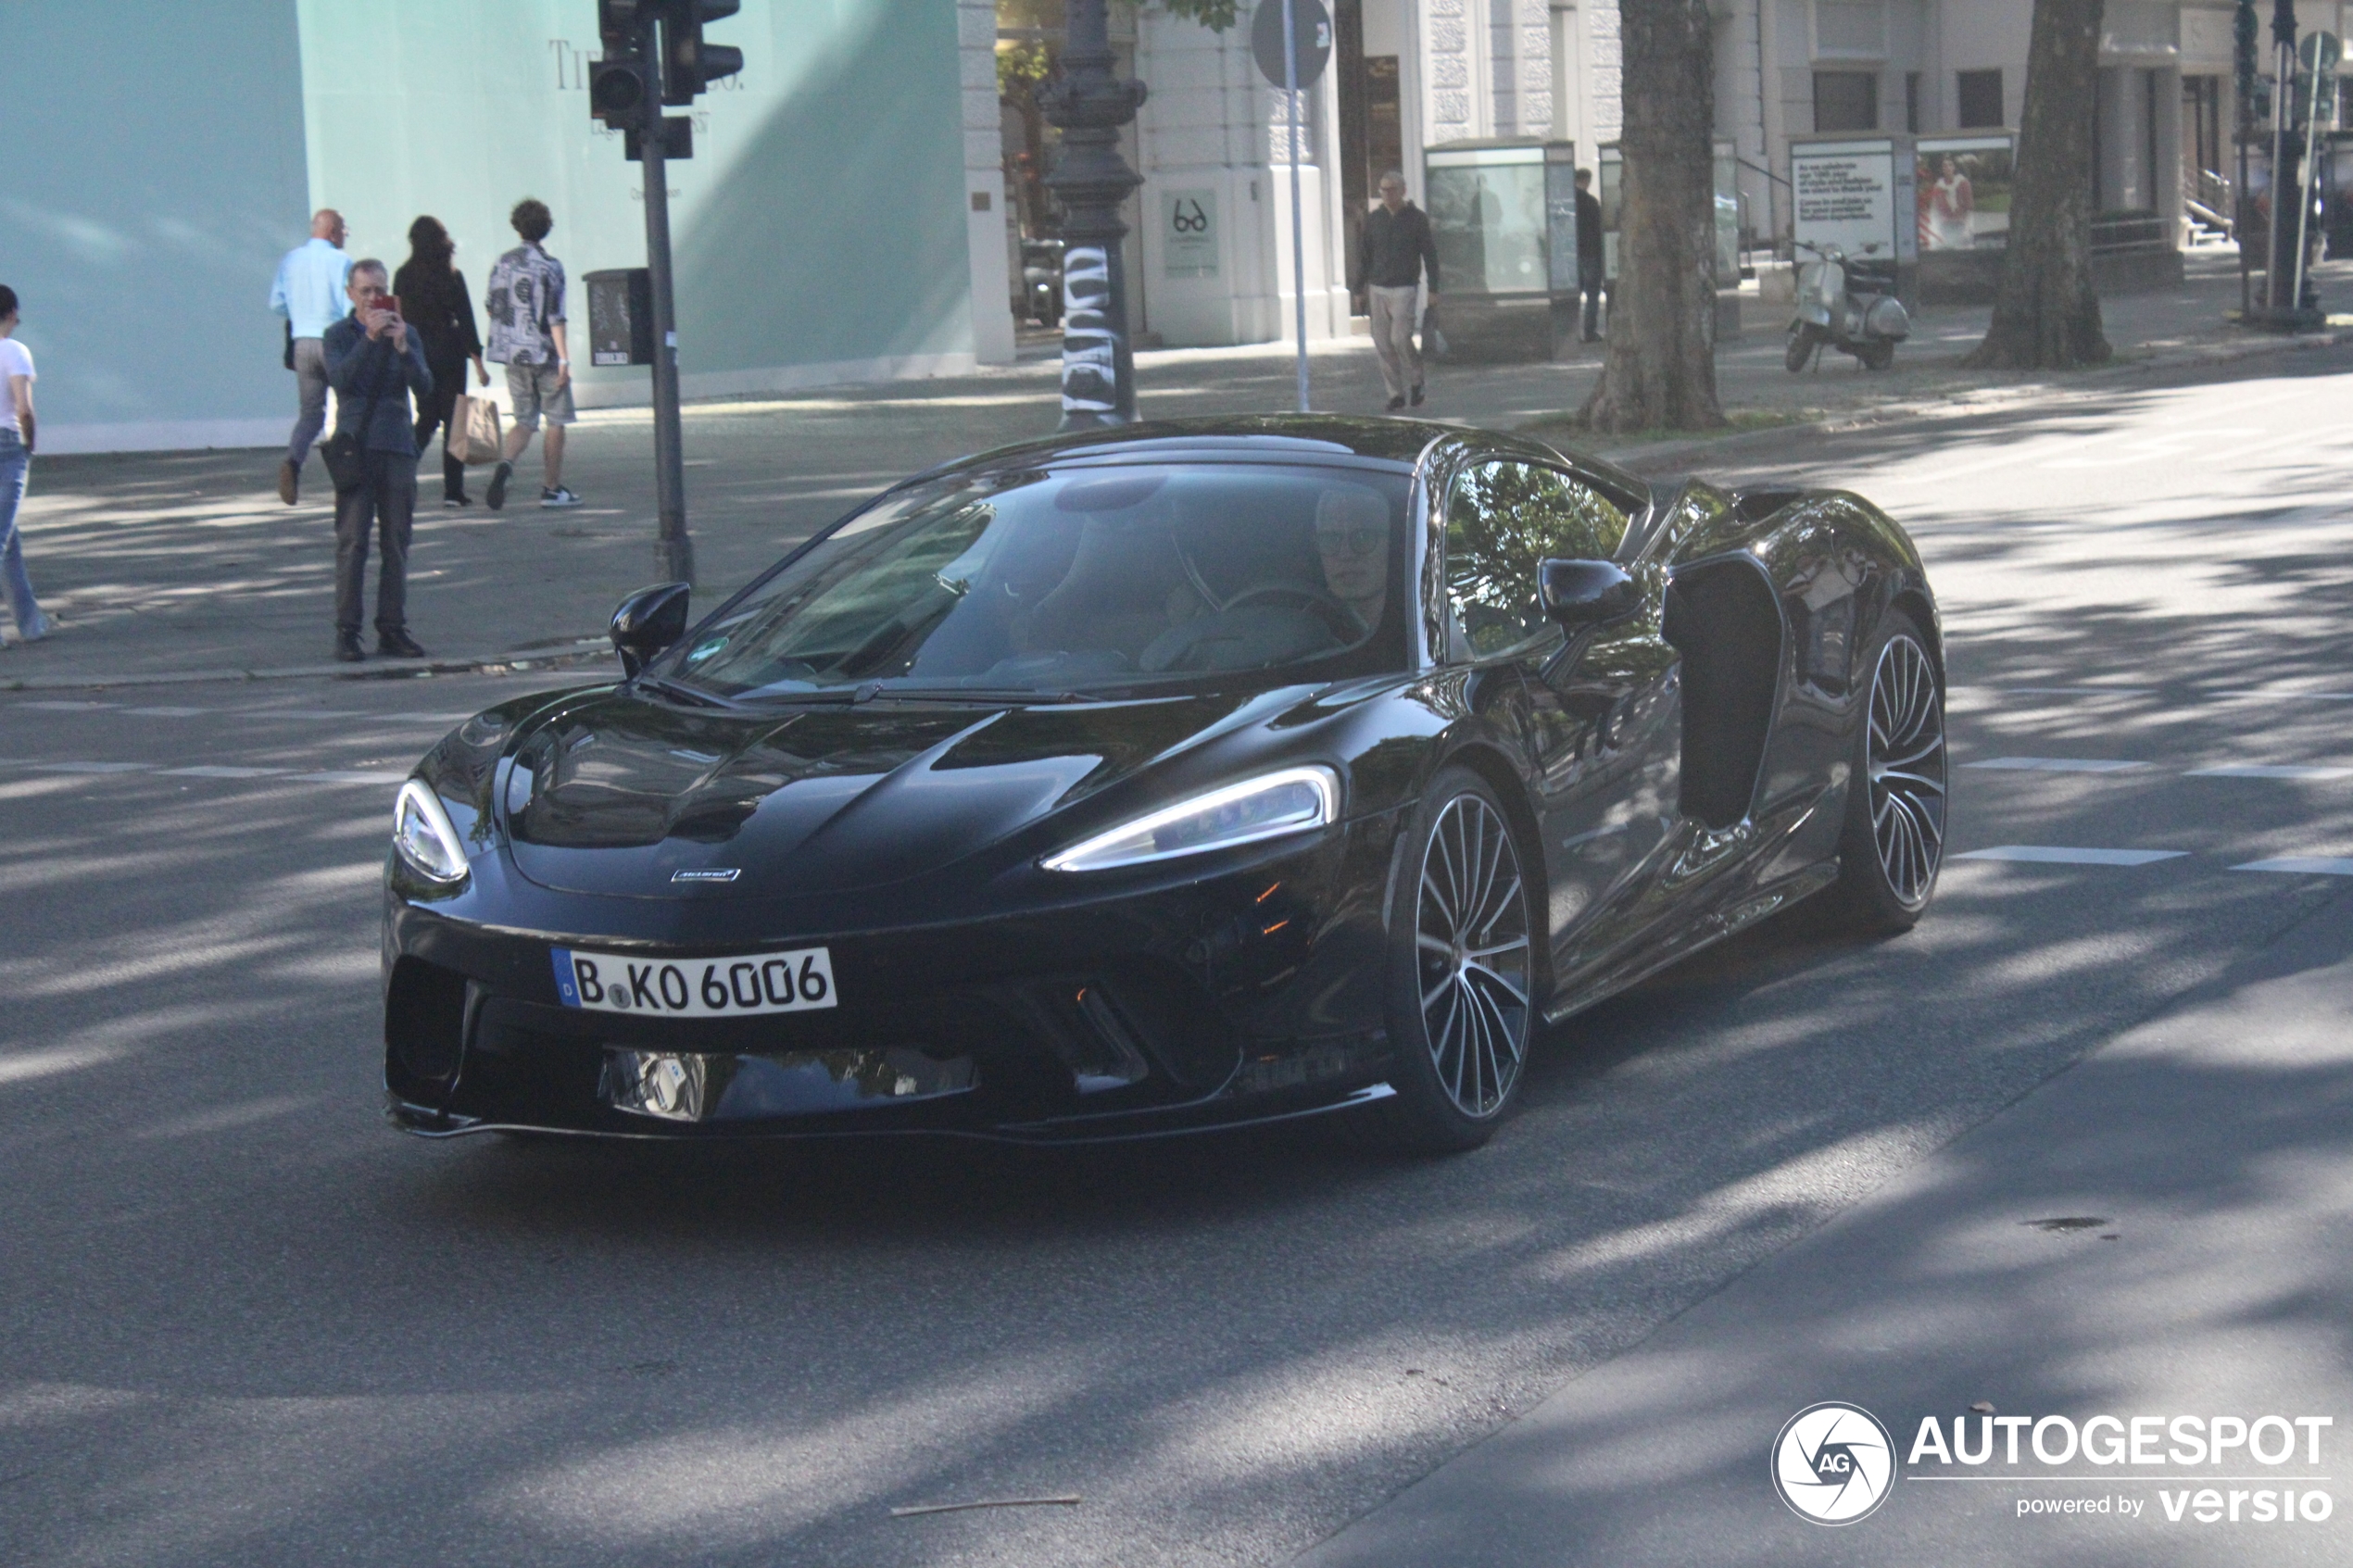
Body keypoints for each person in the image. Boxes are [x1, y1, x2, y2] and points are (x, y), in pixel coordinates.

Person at [322, 260, 434, 662]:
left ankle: (392, 628)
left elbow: (425, 387)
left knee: (397, 543)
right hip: (357, 448)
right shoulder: (337, 336)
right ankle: (347, 632)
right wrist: (369, 339)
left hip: (398, 446)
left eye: (380, 290)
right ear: (350, 293)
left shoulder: (406, 333)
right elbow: (342, 382)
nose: (374, 299)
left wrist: (403, 349)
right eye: (366, 291)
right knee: (353, 544)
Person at [483, 198, 580, 509]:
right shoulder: (550, 266)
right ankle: (551, 488)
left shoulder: (502, 262)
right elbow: (555, 316)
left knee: (524, 420)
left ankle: (506, 464)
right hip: (544, 354)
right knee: (556, 419)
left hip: (513, 353)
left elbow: (491, 305)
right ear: (546, 228)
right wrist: (564, 358)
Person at [393, 217, 491, 508]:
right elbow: (467, 319)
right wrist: (478, 363)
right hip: (450, 351)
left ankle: (401, 470)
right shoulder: (452, 275)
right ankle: (453, 491)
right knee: (455, 421)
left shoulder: (403, 275)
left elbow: (398, 315)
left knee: (426, 418)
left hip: (417, 351)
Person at [269, 209, 353, 506]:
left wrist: (302, 311)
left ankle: (293, 461)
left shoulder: (291, 260)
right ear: (332, 231)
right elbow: (350, 308)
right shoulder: (342, 262)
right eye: (343, 229)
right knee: (349, 407)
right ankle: (346, 474)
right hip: (335, 341)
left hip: (302, 342)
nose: (346, 234)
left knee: (312, 413)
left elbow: (277, 304)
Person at [1354, 170, 1440, 412]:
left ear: (1403, 191)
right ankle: (1395, 394)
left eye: (1392, 189)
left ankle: (1416, 379)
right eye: (1383, 189)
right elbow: (1365, 255)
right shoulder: (1374, 219)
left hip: (1404, 287)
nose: (1387, 194)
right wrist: (1359, 288)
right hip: (1378, 286)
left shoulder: (1416, 219)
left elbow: (1430, 255)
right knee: (1382, 342)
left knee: (1400, 338)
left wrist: (1434, 287)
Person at [0, 286, 54, 646]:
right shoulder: (15, 351)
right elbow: (23, 408)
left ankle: (31, 622)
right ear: (12, 314)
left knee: (10, 540)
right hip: (7, 447)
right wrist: (30, 443)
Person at [1312, 485, 1388, 637]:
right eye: (1331, 539)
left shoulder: (1423, 630)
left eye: (1363, 537)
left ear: (1392, 545)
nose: (1346, 554)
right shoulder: (1300, 630)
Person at [1575, 169, 1606, 343]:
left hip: (1573, 254)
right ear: (1587, 180)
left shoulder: (1568, 201)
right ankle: (1589, 332)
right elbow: (1598, 229)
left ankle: (1571, 335)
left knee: (1574, 294)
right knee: (1592, 294)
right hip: (1591, 253)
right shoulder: (1591, 202)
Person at [1925, 156, 1974, 250]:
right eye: (1945, 166)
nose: (1947, 168)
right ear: (1942, 169)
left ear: (1954, 167)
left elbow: (1969, 208)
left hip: (1961, 224)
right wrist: (1936, 232)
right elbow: (1935, 210)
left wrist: (1968, 229)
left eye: (1950, 165)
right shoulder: (1938, 186)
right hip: (1945, 226)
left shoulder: (1963, 183)